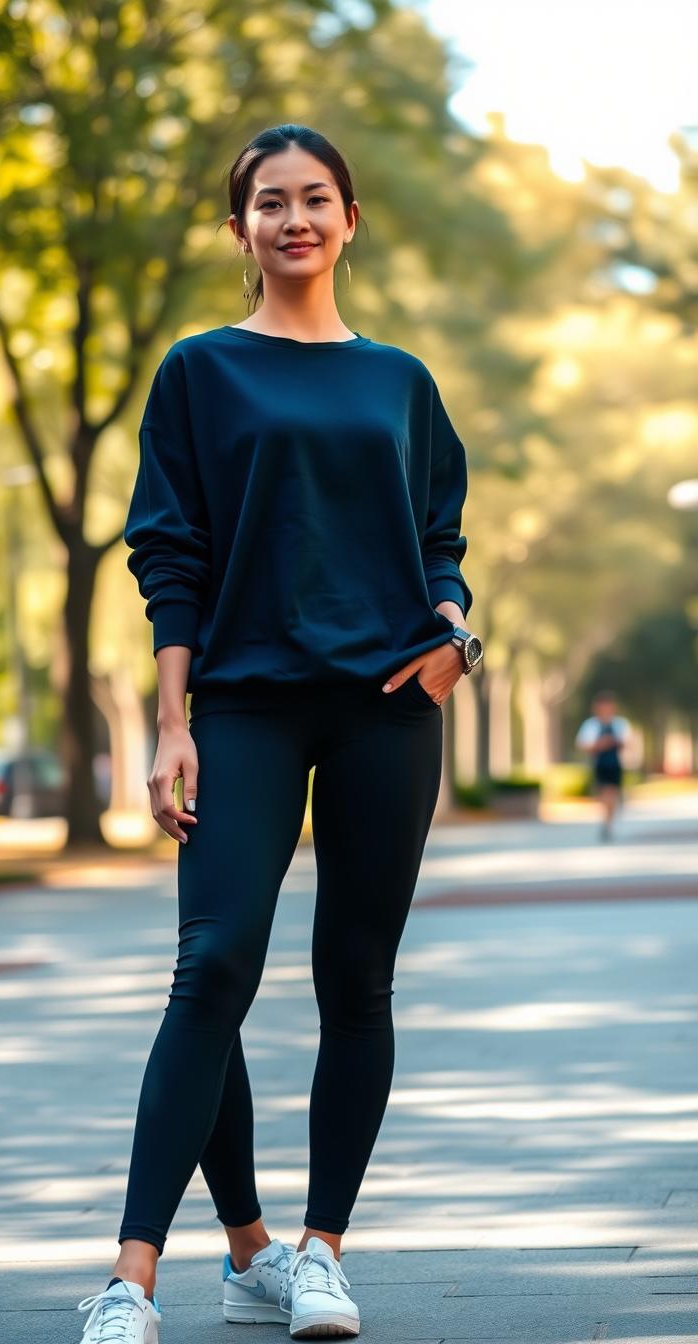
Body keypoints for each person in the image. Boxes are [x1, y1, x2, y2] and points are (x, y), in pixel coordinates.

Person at [75, 123, 483, 1344]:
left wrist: (456, 637)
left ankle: (317, 1254)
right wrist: (168, 721)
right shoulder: (199, 372)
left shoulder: (400, 381)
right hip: (244, 702)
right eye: (269, 202)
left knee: (356, 981)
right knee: (214, 967)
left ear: (350, 219)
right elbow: (171, 552)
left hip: (388, 709)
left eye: (314, 199)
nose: (293, 218)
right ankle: (132, 1281)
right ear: (240, 227)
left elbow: (440, 534)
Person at [575, 691, 631, 842]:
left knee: (611, 793)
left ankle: (608, 822)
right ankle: (607, 820)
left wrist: (614, 742)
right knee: (603, 793)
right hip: (599, 764)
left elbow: (627, 742)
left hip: (615, 764)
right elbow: (582, 744)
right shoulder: (591, 725)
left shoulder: (620, 724)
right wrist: (600, 744)